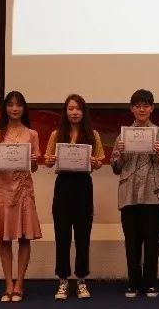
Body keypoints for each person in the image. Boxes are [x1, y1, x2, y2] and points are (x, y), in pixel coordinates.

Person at [110, 89, 159, 298]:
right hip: (129, 194)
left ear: (152, 108)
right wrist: (120, 153)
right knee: (132, 242)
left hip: (154, 194)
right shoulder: (123, 135)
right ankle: (133, 282)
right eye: (138, 106)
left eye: (146, 106)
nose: (142, 109)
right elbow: (116, 167)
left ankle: (150, 283)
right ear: (132, 109)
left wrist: (158, 154)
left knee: (152, 242)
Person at [44, 94, 105, 300]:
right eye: (71, 109)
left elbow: (100, 161)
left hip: (83, 186)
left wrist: (96, 163)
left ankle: (81, 280)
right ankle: (62, 281)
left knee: (82, 236)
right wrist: (50, 160)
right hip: (63, 186)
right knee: (62, 236)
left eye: (78, 108)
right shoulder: (56, 134)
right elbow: (47, 161)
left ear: (83, 111)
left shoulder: (93, 134)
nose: (75, 112)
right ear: (65, 112)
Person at [0, 91, 42, 303]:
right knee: (5, 238)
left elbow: (34, 168)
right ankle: (8, 284)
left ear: (24, 108)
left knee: (25, 237)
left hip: (24, 190)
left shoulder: (32, 134)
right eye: (10, 104)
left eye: (18, 105)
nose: (15, 108)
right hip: (3, 191)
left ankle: (20, 284)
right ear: (5, 108)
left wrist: (34, 161)